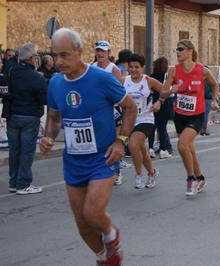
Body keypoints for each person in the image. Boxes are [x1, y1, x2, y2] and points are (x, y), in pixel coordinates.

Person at [39, 28, 137, 266]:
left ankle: (111, 234)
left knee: (92, 214)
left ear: (79, 51)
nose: (59, 61)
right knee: (82, 223)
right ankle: (103, 257)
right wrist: (49, 137)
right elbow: (53, 117)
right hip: (73, 161)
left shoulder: (101, 78)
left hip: (102, 158)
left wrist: (121, 141)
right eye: (55, 55)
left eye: (64, 55)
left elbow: (131, 107)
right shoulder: (55, 83)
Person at [160, 39, 219, 196]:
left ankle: (191, 179)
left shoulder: (202, 70)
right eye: (176, 49)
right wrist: (172, 90)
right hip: (179, 115)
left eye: (181, 49)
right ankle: (201, 178)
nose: (178, 52)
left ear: (190, 51)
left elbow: (215, 84)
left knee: (182, 145)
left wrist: (214, 99)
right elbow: (162, 93)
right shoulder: (174, 70)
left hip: (197, 115)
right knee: (190, 151)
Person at [3, 43, 47, 194]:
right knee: (27, 151)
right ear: (33, 58)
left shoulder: (10, 71)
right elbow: (44, 99)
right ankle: (23, 184)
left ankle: (14, 182)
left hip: (12, 115)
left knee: (15, 150)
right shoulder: (36, 78)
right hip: (29, 116)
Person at [92, 40, 132, 185]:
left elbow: (119, 91)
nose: (100, 53)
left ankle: (117, 172)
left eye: (103, 51)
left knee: (113, 141)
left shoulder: (113, 69)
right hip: (97, 110)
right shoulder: (92, 67)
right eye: (98, 50)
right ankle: (98, 171)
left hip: (112, 109)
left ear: (108, 53)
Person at [123, 53, 164, 189]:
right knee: (142, 150)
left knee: (133, 145)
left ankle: (138, 174)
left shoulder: (148, 81)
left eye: (136, 67)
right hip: (130, 121)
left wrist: (159, 102)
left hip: (146, 119)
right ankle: (152, 173)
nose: (133, 70)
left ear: (142, 68)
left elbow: (166, 91)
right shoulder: (124, 81)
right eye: (131, 67)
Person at [148, 56, 174, 158]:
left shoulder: (151, 76)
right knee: (162, 128)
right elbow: (169, 91)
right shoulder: (166, 76)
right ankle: (163, 149)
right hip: (163, 103)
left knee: (152, 127)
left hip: (152, 102)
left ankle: (150, 148)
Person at [200, 65, 214, 136]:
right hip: (208, 98)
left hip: (200, 98)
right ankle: (204, 129)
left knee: (200, 114)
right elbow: (213, 87)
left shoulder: (200, 79)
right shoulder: (209, 80)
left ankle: (200, 128)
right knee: (205, 114)